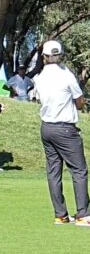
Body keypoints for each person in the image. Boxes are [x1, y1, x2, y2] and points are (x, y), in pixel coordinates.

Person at [33, 40, 90, 226]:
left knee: (53, 171)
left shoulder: (40, 78)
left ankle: (61, 215)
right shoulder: (67, 75)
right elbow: (79, 101)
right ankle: (83, 214)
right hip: (65, 128)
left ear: (44, 57)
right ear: (60, 56)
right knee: (79, 170)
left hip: (47, 127)